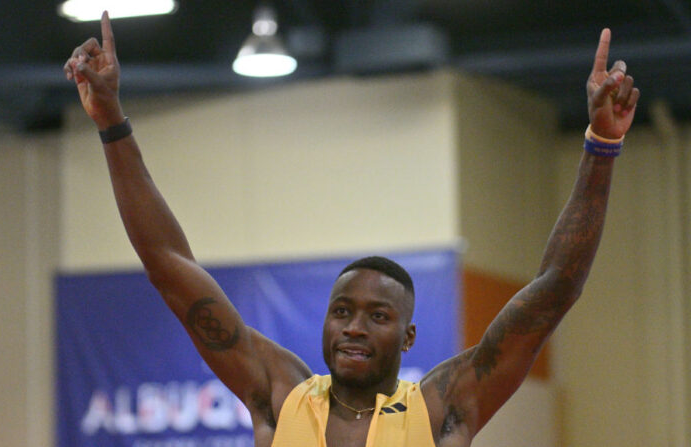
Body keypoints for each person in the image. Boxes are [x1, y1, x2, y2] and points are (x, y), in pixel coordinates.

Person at [64, 12, 639, 447]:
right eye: (342, 311)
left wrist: (601, 145)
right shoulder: (280, 394)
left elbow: (556, 287)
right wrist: (112, 123)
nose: (354, 328)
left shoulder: (443, 410)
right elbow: (169, 265)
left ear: (410, 338)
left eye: (378, 316)